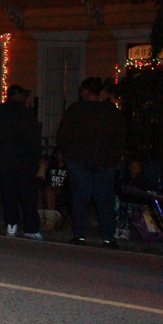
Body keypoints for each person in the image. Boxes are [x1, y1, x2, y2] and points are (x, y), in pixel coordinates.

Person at [56, 77, 127, 248]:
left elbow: (64, 135)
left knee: (81, 198)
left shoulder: (76, 110)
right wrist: (115, 158)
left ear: (86, 92)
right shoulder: (110, 111)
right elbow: (121, 136)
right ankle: (109, 237)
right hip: (103, 162)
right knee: (104, 199)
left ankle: (80, 235)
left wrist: (67, 157)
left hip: (80, 161)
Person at [0, 84, 43, 240]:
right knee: (28, 195)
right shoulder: (25, 113)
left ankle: (12, 224)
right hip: (24, 162)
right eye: (23, 95)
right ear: (17, 95)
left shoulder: (2, 113)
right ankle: (31, 227)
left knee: (10, 194)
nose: (25, 98)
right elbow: (33, 138)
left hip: (7, 161)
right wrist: (36, 159)